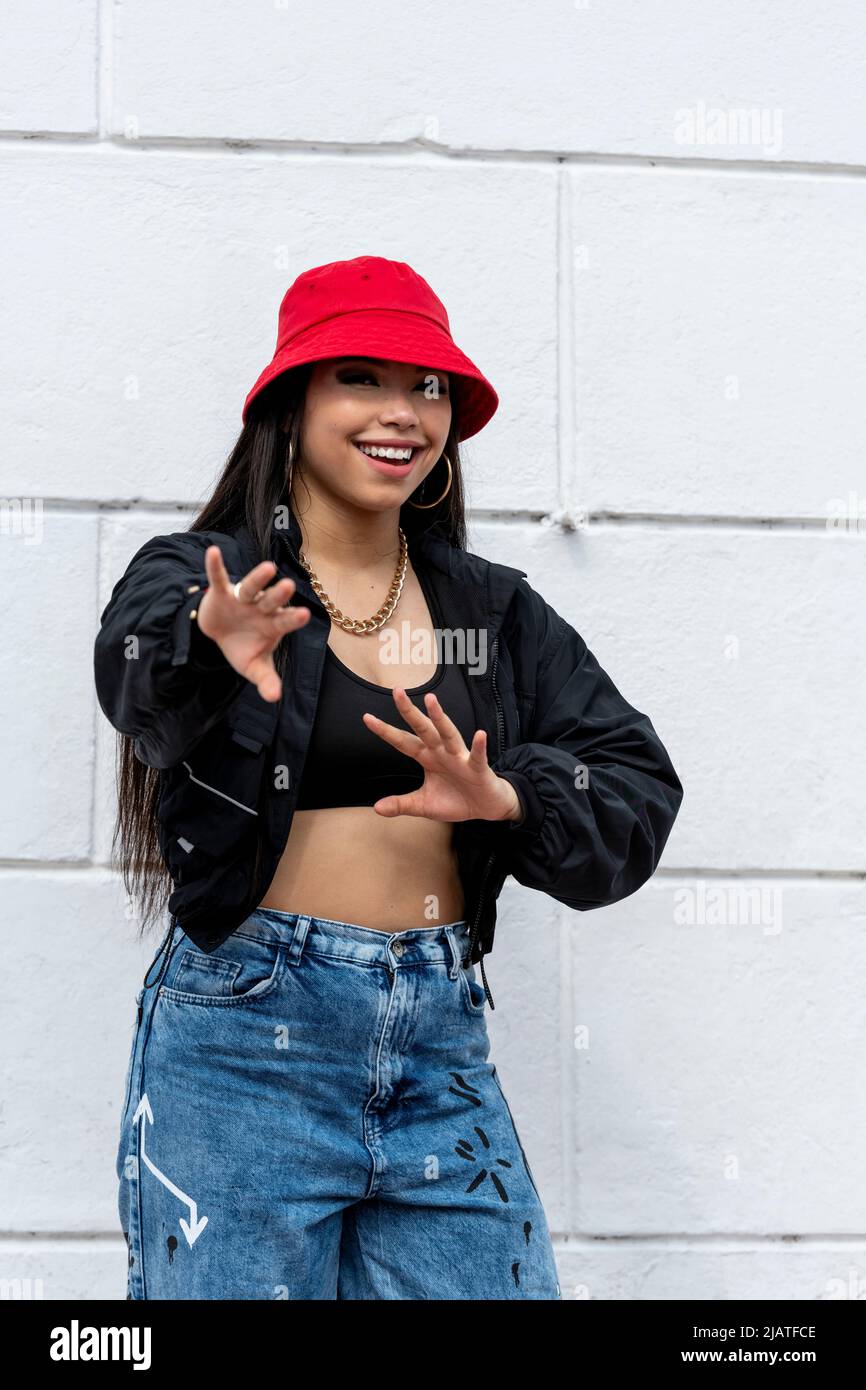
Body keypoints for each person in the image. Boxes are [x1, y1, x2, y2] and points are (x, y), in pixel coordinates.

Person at [95, 255, 683, 1300]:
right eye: (358, 376)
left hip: (437, 1037)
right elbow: (133, 677)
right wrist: (203, 639)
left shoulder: (493, 614)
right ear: (290, 402)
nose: (402, 411)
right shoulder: (209, 573)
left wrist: (507, 798)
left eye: (426, 386)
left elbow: (633, 784)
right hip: (245, 1038)